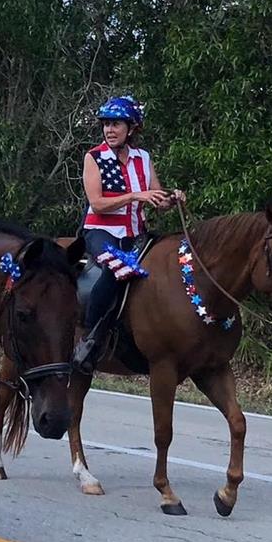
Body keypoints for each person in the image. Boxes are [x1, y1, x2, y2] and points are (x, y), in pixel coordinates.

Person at [73, 95, 185, 374]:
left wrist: (172, 198)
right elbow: (97, 203)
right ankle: (89, 339)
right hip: (101, 232)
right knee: (118, 268)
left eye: (116, 124)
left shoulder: (143, 158)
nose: (109, 130)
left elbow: (156, 199)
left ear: (131, 128)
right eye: (106, 124)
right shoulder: (94, 157)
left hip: (137, 234)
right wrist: (135, 195)